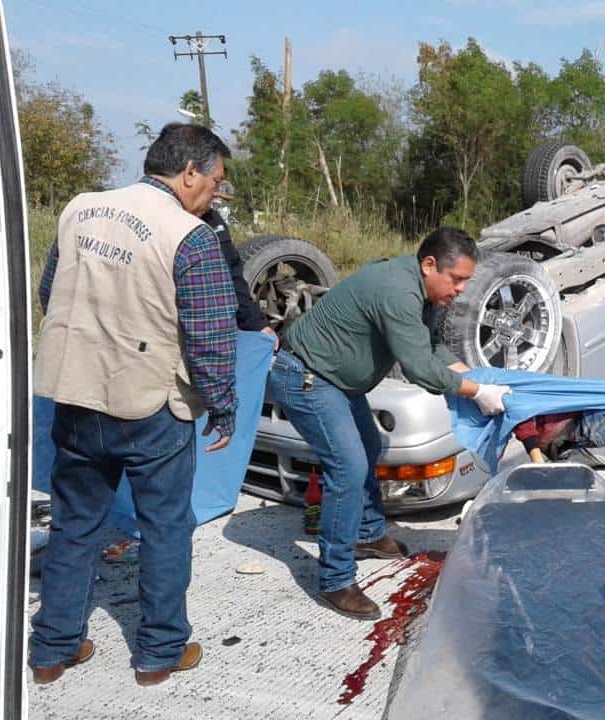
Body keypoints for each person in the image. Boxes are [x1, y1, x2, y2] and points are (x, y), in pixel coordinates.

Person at [29, 123, 239, 686]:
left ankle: (52, 649)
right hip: (150, 406)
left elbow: (51, 292)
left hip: (75, 394)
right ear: (189, 171)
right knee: (166, 528)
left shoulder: (80, 209)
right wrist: (222, 405)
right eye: (215, 181)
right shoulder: (190, 236)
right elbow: (211, 336)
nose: (214, 194)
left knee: (74, 524)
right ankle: (159, 653)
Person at [268, 227, 512, 620]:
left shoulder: (425, 292)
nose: (462, 289)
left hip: (337, 380)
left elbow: (430, 346)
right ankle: (335, 580)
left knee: (367, 449)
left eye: (467, 280)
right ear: (429, 265)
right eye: (457, 279)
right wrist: (476, 392)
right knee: (347, 467)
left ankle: (366, 534)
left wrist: (472, 376)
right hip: (307, 376)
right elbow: (419, 369)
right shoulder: (398, 291)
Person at [203, 180, 278, 343]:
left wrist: (255, 323)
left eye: (223, 201)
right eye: (214, 181)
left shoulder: (214, 220)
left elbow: (233, 274)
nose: (217, 198)